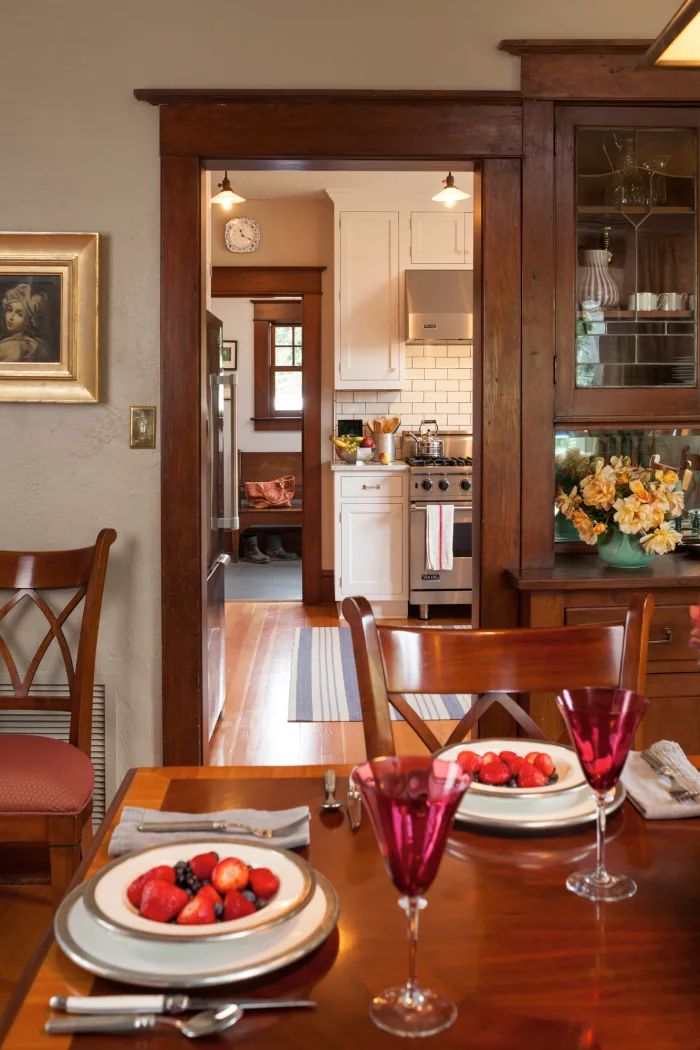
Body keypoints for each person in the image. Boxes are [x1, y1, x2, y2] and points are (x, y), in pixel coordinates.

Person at [0, 283, 52, 362]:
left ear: (30, 320)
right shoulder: (41, 345)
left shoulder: (9, 346)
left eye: (19, 314)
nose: (11, 317)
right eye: (9, 310)